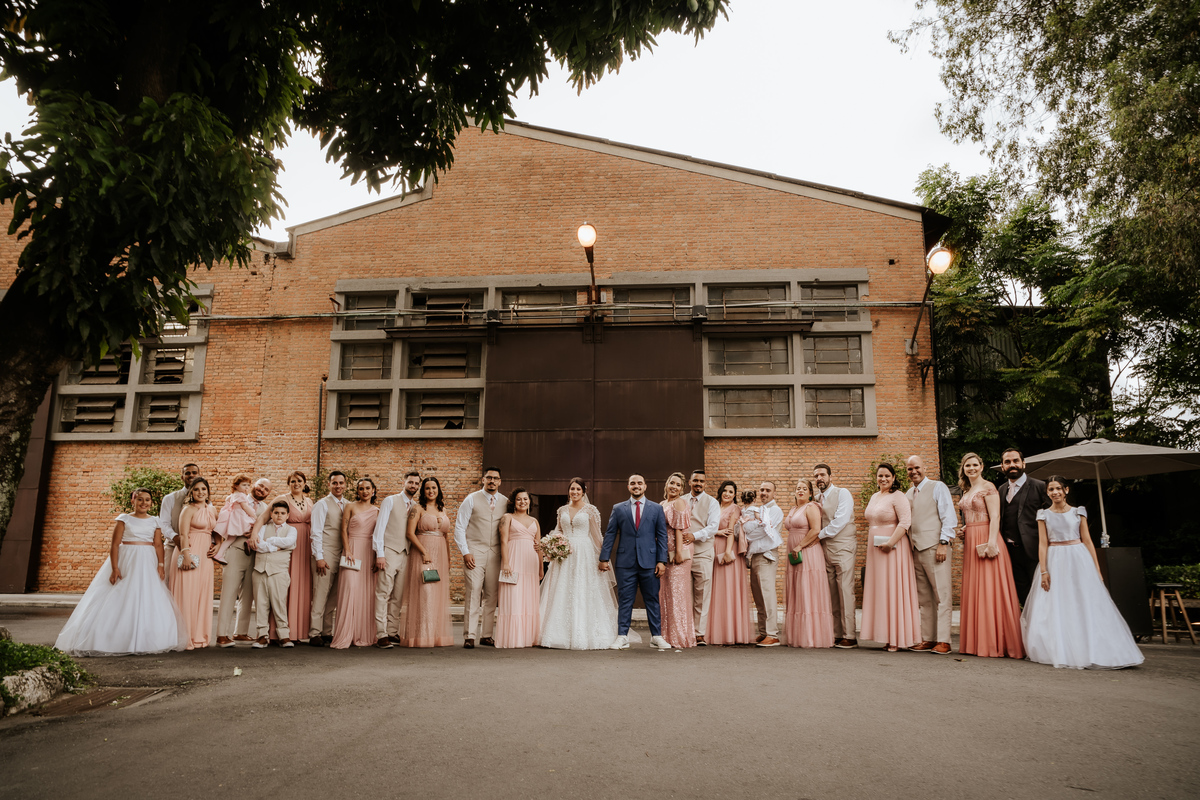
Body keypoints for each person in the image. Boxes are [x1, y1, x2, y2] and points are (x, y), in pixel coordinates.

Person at [1021, 477, 1144, 670]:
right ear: (1047, 492)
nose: (1055, 493)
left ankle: (1093, 646)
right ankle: (1061, 648)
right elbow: (1042, 543)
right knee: (1057, 602)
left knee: (1083, 600)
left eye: (1058, 489)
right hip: (1055, 558)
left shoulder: (1079, 512)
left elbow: (1087, 540)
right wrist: (1044, 570)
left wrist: (1096, 569)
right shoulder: (1043, 515)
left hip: (1078, 558)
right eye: (1051, 489)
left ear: (1066, 490)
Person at [55, 488, 187, 656]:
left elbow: (158, 545)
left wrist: (161, 565)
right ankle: (112, 637)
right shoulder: (124, 519)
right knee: (121, 593)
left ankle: (148, 637)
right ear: (133, 501)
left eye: (147, 500)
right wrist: (115, 567)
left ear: (151, 503)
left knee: (148, 595)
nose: (144, 503)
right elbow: (115, 545)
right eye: (140, 499)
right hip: (127, 559)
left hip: (147, 560)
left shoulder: (155, 521)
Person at [538, 478, 619, 650]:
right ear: (569, 491)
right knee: (563, 589)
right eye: (572, 489)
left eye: (578, 489)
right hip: (565, 554)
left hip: (584, 553)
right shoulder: (562, 510)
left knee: (583, 589)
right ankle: (557, 633)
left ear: (584, 491)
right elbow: (558, 529)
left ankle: (587, 633)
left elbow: (597, 537)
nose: (574, 492)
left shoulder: (590, 510)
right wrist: (553, 542)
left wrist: (603, 559)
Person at [958, 452, 1025, 658]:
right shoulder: (967, 490)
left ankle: (996, 642)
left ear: (981, 466)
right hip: (971, 541)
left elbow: (995, 517)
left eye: (975, 465)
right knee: (976, 590)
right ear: (963, 469)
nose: (971, 468)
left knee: (990, 590)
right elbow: (970, 516)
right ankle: (977, 643)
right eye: (967, 465)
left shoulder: (988, 487)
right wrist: (964, 529)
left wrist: (991, 543)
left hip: (987, 539)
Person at [599, 473, 672, 651]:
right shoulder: (618, 509)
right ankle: (622, 636)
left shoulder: (656, 509)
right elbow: (610, 534)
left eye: (639, 483)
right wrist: (603, 558)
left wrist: (662, 560)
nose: (636, 486)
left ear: (645, 486)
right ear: (628, 486)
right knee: (625, 600)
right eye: (633, 483)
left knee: (652, 600)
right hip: (625, 562)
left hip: (650, 562)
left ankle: (656, 636)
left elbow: (662, 536)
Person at [860, 464, 919, 652]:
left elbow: (905, 522)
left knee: (894, 589)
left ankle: (897, 637)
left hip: (893, 548)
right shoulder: (874, 496)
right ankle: (885, 635)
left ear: (893, 477)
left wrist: (890, 543)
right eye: (880, 476)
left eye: (887, 475)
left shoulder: (899, 496)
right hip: (875, 549)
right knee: (881, 591)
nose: (883, 479)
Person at [252, 471, 314, 644]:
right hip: (282, 554)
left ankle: (297, 630)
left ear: (304, 483)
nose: (296, 483)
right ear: (289, 483)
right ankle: (270, 633)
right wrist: (253, 536)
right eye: (293, 481)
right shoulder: (282, 499)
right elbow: (262, 519)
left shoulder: (309, 501)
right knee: (278, 590)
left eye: (299, 481)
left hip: (303, 544)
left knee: (299, 586)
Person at [905, 455, 957, 654]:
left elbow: (948, 517)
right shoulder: (908, 493)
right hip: (915, 548)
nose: (914, 472)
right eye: (910, 469)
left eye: (916, 467)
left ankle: (944, 640)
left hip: (935, 547)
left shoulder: (938, 487)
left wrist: (944, 542)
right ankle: (928, 638)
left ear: (924, 467)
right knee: (924, 597)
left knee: (942, 595)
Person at [453, 466, 507, 648]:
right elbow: (460, 527)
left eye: (495, 478)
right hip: (474, 552)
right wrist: (465, 552)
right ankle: (469, 635)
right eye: (489, 478)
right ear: (483, 479)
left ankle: (486, 635)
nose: (492, 481)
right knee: (474, 591)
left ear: (500, 481)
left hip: (496, 553)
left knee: (492, 595)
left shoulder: (506, 502)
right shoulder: (471, 499)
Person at [397, 477, 454, 647]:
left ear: (438, 490)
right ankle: (421, 636)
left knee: (436, 595)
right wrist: (424, 551)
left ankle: (435, 635)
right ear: (423, 491)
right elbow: (409, 533)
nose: (431, 491)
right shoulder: (418, 508)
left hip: (441, 554)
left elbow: (446, 536)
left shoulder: (442, 509)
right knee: (425, 592)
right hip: (423, 552)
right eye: (427, 488)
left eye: (434, 488)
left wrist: (449, 559)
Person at [214, 477, 271, 647]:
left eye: (266, 489)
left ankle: (240, 632)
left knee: (248, 595)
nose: (262, 490)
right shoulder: (237, 497)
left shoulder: (265, 508)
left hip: (254, 555)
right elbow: (225, 519)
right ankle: (221, 635)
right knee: (229, 593)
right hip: (236, 549)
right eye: (260, 485)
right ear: (254, 485)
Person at [782, 478, 834, 649]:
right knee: (797, 592)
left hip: (808, 552)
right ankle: (798, 635)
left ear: (811, 493)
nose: (801, 491)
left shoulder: (811, 507)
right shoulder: (793, 508)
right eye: (798, 488)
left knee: (807, 590)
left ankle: (811, 636)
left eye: (804, 488)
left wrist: (799, 545)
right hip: (794, 554)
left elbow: (815, 530)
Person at [371, 470, 420, 648]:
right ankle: (381, 634)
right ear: (404, 482)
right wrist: (380, 554)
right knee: (383, 593)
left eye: (416, 483)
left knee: (398, 596)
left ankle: (392, 632)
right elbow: (380, 528)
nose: (413, 486)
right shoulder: (390, 500)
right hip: (389, 551)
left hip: (406, 554)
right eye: (410, 482)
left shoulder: (416, 505)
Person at [813, 464, 859, 649]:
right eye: (816, 476)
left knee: (845, 589)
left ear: (830, 476)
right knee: (831, 591)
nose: (819, 478)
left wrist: (817, 535)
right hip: (823, 548)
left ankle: (850, 635)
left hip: (843, 546)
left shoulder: (842, 493)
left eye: (822, 474)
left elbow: (840, 520)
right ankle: (836, 633)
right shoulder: (816, 498)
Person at [330, 478, 380, 649]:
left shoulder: (377, 511)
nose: (365, 491)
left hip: (369, 552)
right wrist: (348, 550)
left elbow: (378, 535)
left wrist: (376, 556)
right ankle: (345, 634)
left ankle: (362, 634)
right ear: (357, 491)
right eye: (361, 488)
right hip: (351, 549)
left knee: (366, 592)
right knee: (350, 589)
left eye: (368, 488)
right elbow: (343, 530)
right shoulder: (350, 506)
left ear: (373, 490)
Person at [998, 447, 1051, 602]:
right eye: (1007, 462)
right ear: (1002, 467)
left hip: (1034, 551)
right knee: (1022, 594)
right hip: (1009, 553)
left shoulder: (1040, 486)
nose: (1012, 464)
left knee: (1042, 593)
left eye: (1016, 461)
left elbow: (1052, 518)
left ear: (1023, 463)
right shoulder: (1001, 490)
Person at [172, 477, 217, 650]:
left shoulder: (212, 509)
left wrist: (218, 544)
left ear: (208, 491)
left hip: (205, 557)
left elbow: (218, 531)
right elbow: (183, 534)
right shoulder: (188, 509)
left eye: (203, 489)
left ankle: (199, 635)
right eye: (196, 489)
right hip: (189, 552)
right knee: (187, 594)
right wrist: (186, 555)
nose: (200, 492)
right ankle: (185, 636)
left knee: (202, 594)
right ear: (191, 492)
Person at [707, 480, 753, 646]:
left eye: (731, 492)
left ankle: (731, 631)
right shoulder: (714, 506)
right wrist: (717, 531)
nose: (727, 494)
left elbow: (732, 532)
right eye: (725, 491)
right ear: (720, 492)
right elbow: (710, 527)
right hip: (713, 547)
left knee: (728, 588)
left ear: (734, 495)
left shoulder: (735, 509)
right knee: (715, 589)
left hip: (728, 549)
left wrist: (727, 552)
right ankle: (713, 630)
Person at [494, 488, 542, 648]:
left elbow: (539, 546)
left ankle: (528, 637)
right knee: (513, 597)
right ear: (514, 502)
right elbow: (503, 541)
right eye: (519, 499)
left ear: (530, 502)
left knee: (528, 599)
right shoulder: (507, 518)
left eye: (525, 499)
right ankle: (513, 638)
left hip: (531, 563)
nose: (523, 502)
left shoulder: (535, 521)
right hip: (513, 559)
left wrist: (541, 568)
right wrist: (506, 562)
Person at [307, 470, 348, 647]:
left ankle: (326, 631)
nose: (338, 486)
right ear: (329, 484)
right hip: (325, 552)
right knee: (320, 593)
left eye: (341, 483)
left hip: (342, 554)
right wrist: (319, 557)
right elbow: (315, 532)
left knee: (334, 596)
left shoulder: (348, 505)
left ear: (345, 485)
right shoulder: (322, 504)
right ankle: (314, 632)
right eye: (334, 483)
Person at [250, 501, 298, 648]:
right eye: (276, 512)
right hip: (260, 570)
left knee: (279, 603)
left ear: (287, 515)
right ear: (271, 514)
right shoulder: (263, 528)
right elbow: (258, 546)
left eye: (283, 513)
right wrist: (277, 547)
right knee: (261, 604)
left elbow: (289, 542)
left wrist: (269, 541)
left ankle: (284, 635)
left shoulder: (292, 530)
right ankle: (262, 636)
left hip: (279, 571)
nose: (279, 515)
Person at [744, 481, 784, 647]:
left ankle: (772, 634)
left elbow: (760, 531)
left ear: (774, 493)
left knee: (767, 595)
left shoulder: (775, 510)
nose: (764, 493)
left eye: (768, 490)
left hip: (767, 556)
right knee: (758, 597)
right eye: (761, 490)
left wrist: (748, 533)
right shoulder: (759, 510)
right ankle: (763, 632)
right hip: (755, 556)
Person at [683, 469, 720, 646]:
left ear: (705, 484)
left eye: (702, 481)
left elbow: (713, 527)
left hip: (703, 553)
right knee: (684, 594)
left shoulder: (712, 502)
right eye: (695, 480)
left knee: (702, 594)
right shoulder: (681, 500)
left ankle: (699, 633)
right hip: (682, 554)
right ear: (690, 482)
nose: (698, 484)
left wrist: (694, 536)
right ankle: (684, 630)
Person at [659, 472, 696, 649]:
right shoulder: (662, 503)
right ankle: (666, 635)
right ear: (667, 484)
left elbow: (679, 529)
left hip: (678, 552)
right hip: (665, 552)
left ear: (682, 489)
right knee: (665, 593)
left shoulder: (679, 502)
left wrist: (679, 552)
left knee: (677, 594)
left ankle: (679, 637)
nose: (674, 487)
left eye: (678, 485)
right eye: (672, 483)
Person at [158, 462, 201, 591]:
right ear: (182, 476)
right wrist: (176, 538)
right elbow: (164, 524)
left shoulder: (205, 500)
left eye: (194, 472)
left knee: (190, 587)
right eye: (187, 473)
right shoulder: (170, 498)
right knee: (168, 584)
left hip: (196, 548)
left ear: (199, 475)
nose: (191, 475)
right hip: (173, 547)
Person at [210, 475, 257, 565]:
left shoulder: (232, 495)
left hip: (234, 518)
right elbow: (246, 508)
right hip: (240, 517)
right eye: (244, 485)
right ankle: (249, 542)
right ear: (236, 485)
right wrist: (254, 516)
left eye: (248, 485)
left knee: (230, 539)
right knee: (254, 526)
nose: (247, 487)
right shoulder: (241, 496)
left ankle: (219, 554)